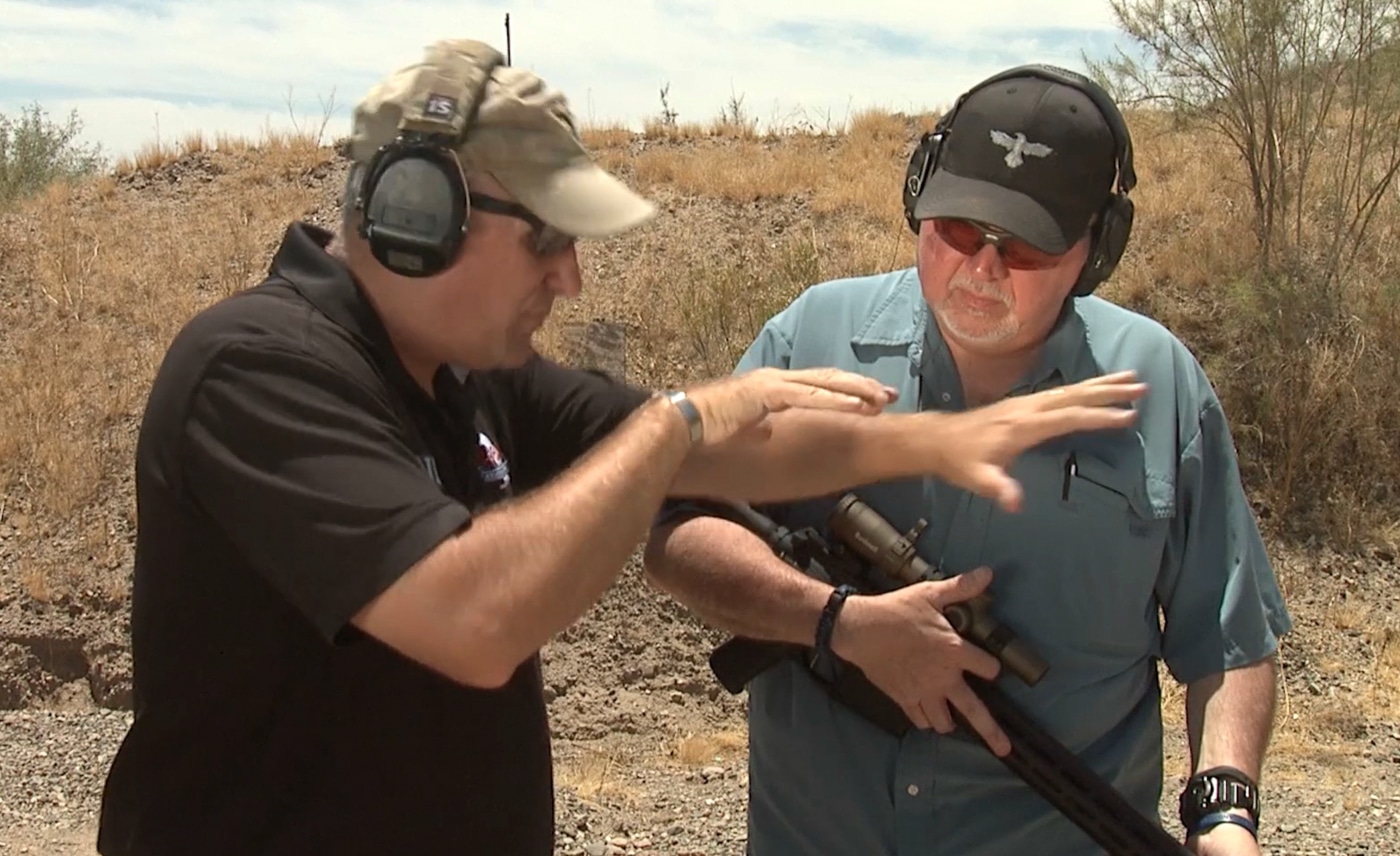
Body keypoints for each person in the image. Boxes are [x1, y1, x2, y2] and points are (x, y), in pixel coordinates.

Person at [93, 42, 1150, 856]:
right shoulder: (259, 369)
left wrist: (939, 435)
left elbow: (736, 452)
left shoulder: (463, 375)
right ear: (419, 215)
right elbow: (472, 618)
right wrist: (676, 425)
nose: (570, 282)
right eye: (547, 240)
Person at [643, 64, 1293, 856]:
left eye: (1023, 246)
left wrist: (1224, 813)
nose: (981, 269)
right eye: (956, 230)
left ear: (1097, 249)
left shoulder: (1158, 386)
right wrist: (838, 624)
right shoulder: (813, 338)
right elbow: (677, 532)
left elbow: (1225, 640)